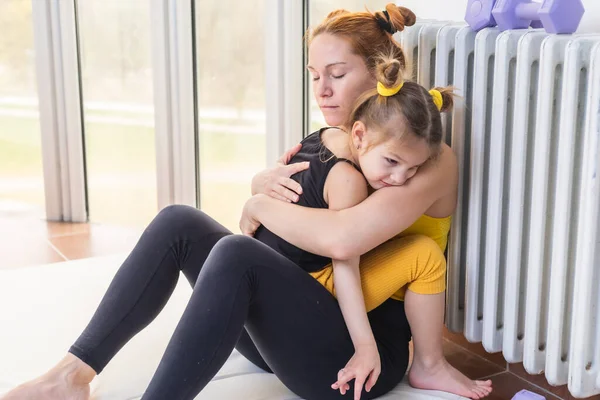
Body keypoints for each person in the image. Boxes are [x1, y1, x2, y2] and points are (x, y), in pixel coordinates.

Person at [1, 4, 491, 400]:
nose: (321, 89)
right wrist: (262, 184)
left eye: (337, 74)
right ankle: (70, 375)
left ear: (379, 73)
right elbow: (302, 219)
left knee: (237, 254)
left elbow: (343, 239)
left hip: (353, 358)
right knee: (179, 222)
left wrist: (258, 206)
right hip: (291, 331)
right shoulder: (341, 139)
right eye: (315, 73)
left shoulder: (425, 158)